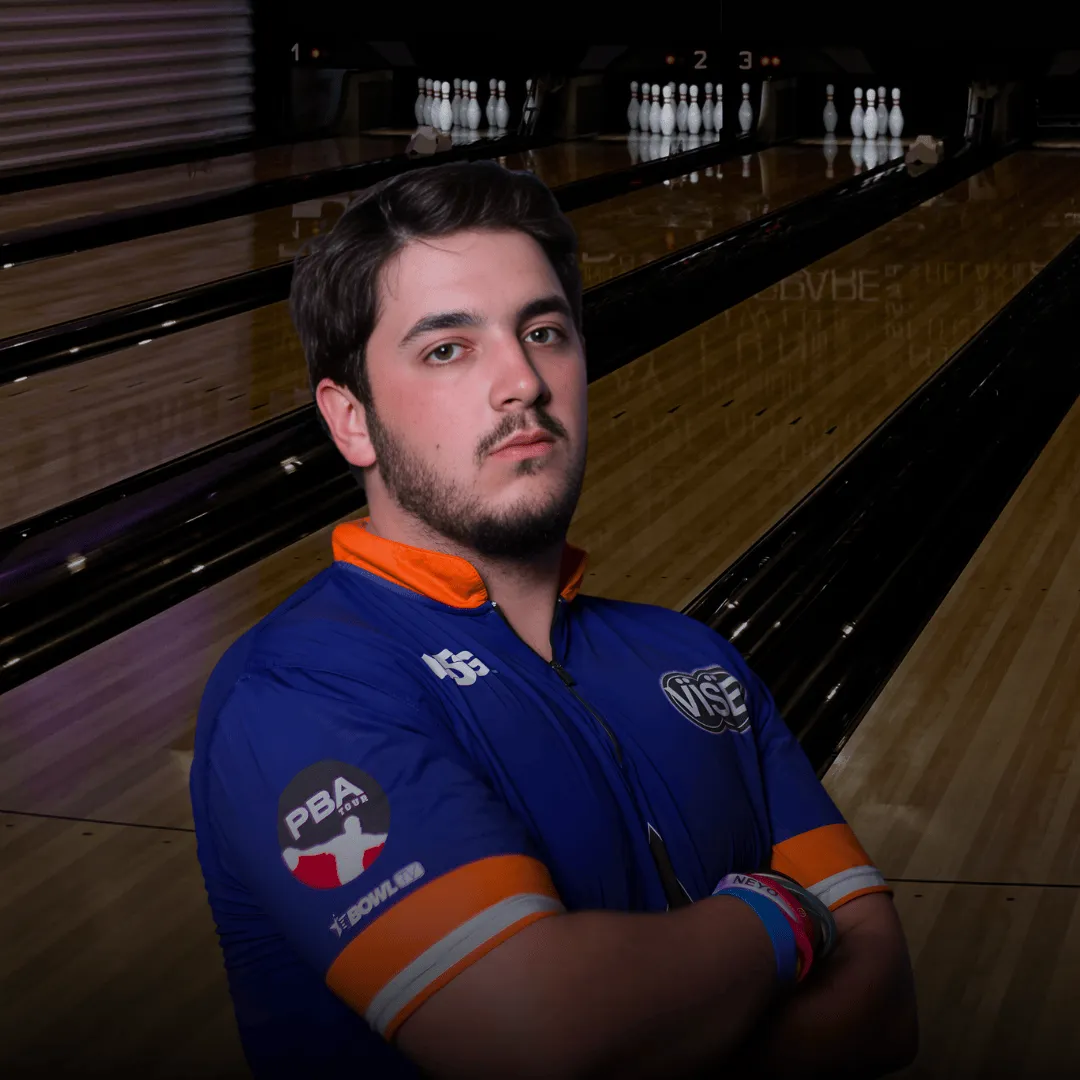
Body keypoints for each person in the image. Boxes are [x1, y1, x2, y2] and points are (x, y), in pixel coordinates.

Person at [190, 159, 918, 1079]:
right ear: (351, 420)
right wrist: (784, 914)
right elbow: (532, 1036)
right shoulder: (302, 688)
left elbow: (884, 1005)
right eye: (447, 349)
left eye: (543, 332)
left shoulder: (691, 658)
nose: (521, 381)